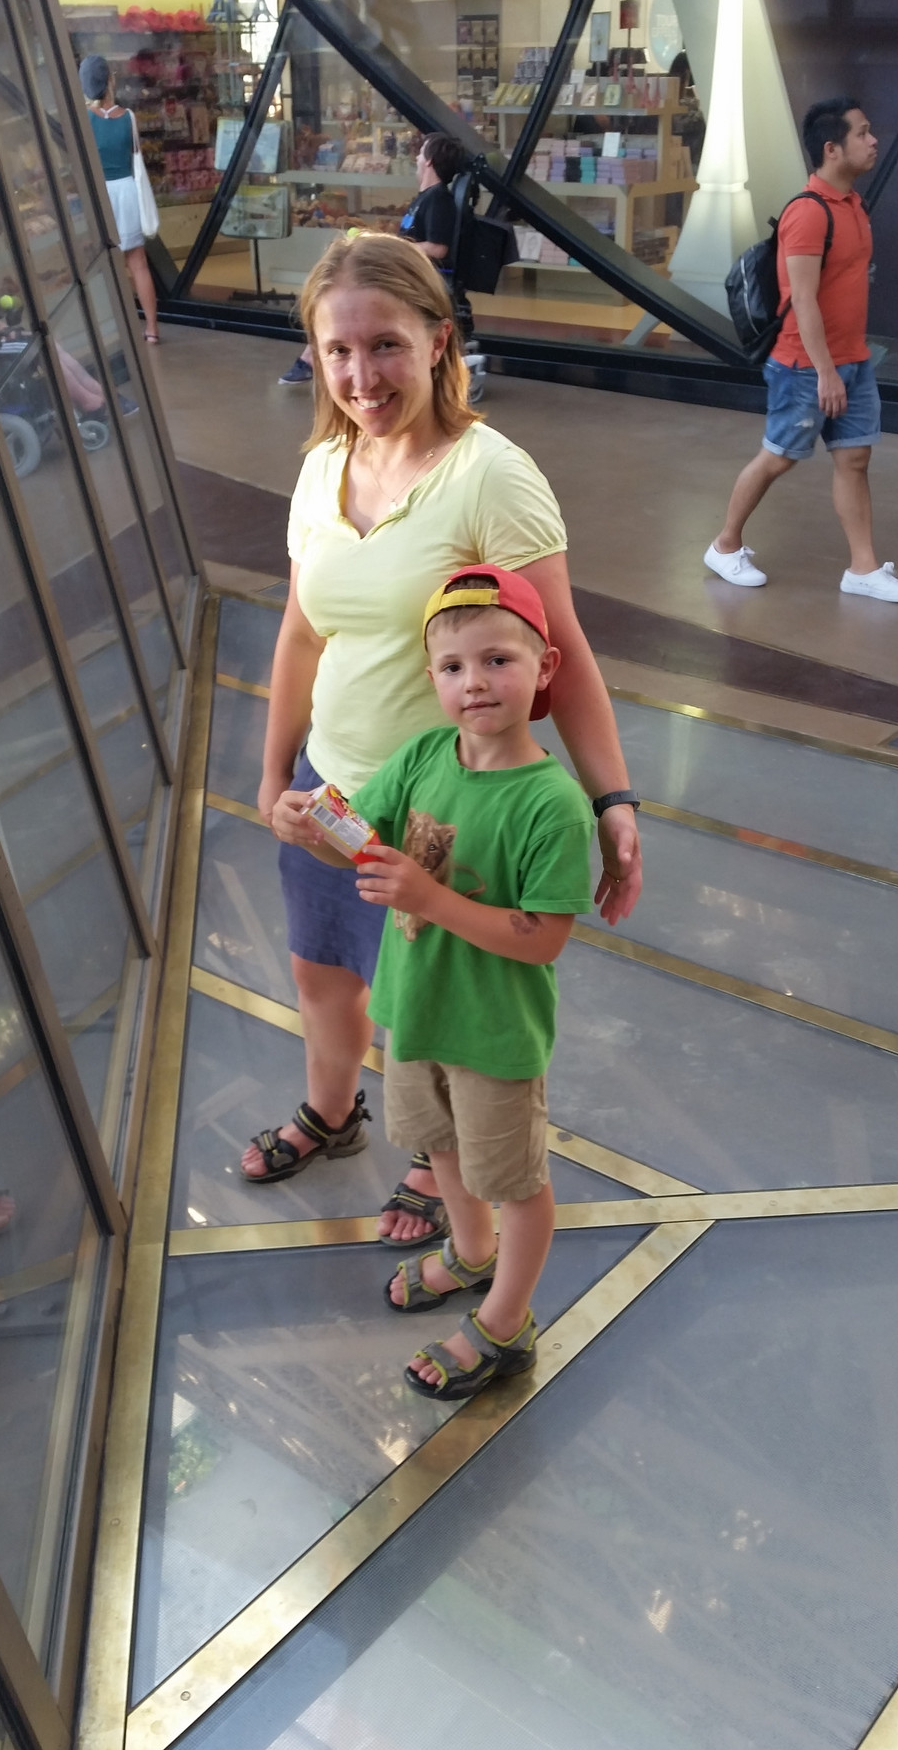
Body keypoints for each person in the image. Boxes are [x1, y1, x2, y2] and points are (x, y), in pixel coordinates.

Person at [244, 230, 642, 1249]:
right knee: (324, 970)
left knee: (431, 1008)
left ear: (437, 339)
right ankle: (332, 1109)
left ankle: (441, 1164)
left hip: (442, 811)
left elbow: (561, 651)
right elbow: (301, 632)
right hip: (335, 793)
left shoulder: (489, 476)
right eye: (338, 350)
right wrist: (275, 770)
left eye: (385, 345)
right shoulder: (322, 467)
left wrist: (612, 799)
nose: (361, 376)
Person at [285, 567, 592, 1398]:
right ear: (432, 679)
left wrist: (428, 898)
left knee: (515, 1183)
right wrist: (307, 822)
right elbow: (354, 840)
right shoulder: (424, 755)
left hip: (493, 1033)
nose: (474, 683)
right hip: (413, 1012)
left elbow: (543, 940)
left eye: (497, 660)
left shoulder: (552, 804)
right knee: (443, 1149)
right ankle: (470, 1250)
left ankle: (506, 1320)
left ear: (543, 667)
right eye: (453, 667)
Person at [704, 98, 898, 604]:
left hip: (852, 360)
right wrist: (825, 372)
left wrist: (846, 364)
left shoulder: (853, 205)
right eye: (862, 133)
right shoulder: (808, 212)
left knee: (854, 459)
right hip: (805, 367)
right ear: (831, 148)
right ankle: (724, 545)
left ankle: (863, 569)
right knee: (777, 458)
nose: (873, 141)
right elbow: (801, 298)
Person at [279, 133, 471, 385]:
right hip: (403, 274)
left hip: (414, 281)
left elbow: (437, 248)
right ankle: (314, 357)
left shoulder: (438, 200)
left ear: (430, 161)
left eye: (421, 152)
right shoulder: (425, 198)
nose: (416, 157)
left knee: (341, 294)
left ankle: (311, 360)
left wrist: (394, 248)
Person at [79, 55, 161, 346]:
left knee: (104, 265)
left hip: (100, 194)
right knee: (138, 263)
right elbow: (134, 155)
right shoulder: (128, 117)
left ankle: (114, 328)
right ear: (110, 81)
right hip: (126, 190)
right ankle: (152, 328)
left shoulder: (84, 119)